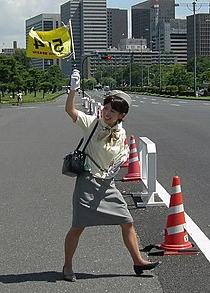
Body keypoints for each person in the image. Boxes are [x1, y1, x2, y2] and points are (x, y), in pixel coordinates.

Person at [63, 69, 160, 282]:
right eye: (106, 108)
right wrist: (72, 89)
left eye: (112, 111)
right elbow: (70, 110)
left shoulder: (121, 132)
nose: (107, 113)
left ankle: (138, 261)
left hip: (108, 184)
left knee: (127, 220)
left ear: (121, 116)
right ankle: (67, 266)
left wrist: (121, 161)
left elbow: (121, 154)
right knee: (78, 227)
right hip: (87, 182)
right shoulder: (92, 124)